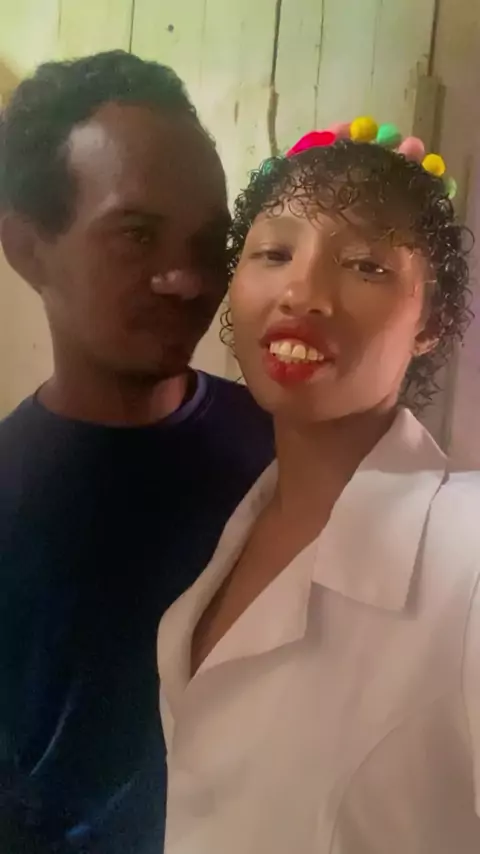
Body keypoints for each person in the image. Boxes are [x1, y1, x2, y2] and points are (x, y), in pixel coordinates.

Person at [158, 118, 480, 854]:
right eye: (274, 253)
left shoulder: (468, 555)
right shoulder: (226, 523)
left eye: (365, 264)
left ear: (430, 321)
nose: (302, 292)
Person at [0, 51, 273, 853]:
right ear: (27, 250)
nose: (186, 279)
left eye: (209, 243)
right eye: (136, 236)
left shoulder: (288, 457)